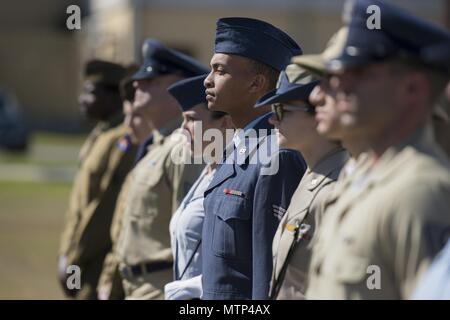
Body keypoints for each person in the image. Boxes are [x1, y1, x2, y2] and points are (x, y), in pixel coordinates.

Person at [306, 0, 450, 300]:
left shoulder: (420, 193)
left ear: (412, 89)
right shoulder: (363, 179)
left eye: (357, 70)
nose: (336, 83)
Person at [202, 17, 307, 300]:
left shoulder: (277, 157)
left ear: (256, 83)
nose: (207, 80)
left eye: (219, 70)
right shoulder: (238, 147)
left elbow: (270, 273)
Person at [114, 39, 207, 299]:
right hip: (135, 284)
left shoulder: (183, 148)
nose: (137, 84)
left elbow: (189, 234)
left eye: (152, 79)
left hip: (160, 287)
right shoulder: (156, 144)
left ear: (179, 87)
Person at [254, 64, 349, 299]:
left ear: (318, 111)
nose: (272, 120)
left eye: (281, 109)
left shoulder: (338, 184)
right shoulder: (312, 174)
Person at [58, 60, 138, 299]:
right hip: (81, 256)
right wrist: (66, 253)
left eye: (90, 92)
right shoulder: (101, 133)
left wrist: (74, 258)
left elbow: (105, 205)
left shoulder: (122, 139)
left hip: (98, 260)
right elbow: (79, 206)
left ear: (115, 97)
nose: (82, 99)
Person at [163, 74, 233, 300]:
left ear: (225, 123)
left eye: (191, 119)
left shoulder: (234, 175)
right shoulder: (207, 170)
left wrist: (186, 289)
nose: (183, 128)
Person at [96, 64, 143, 300]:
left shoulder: (166, 154)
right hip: (113, 267)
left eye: (136, 115)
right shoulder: (139, 148)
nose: (129, 123)